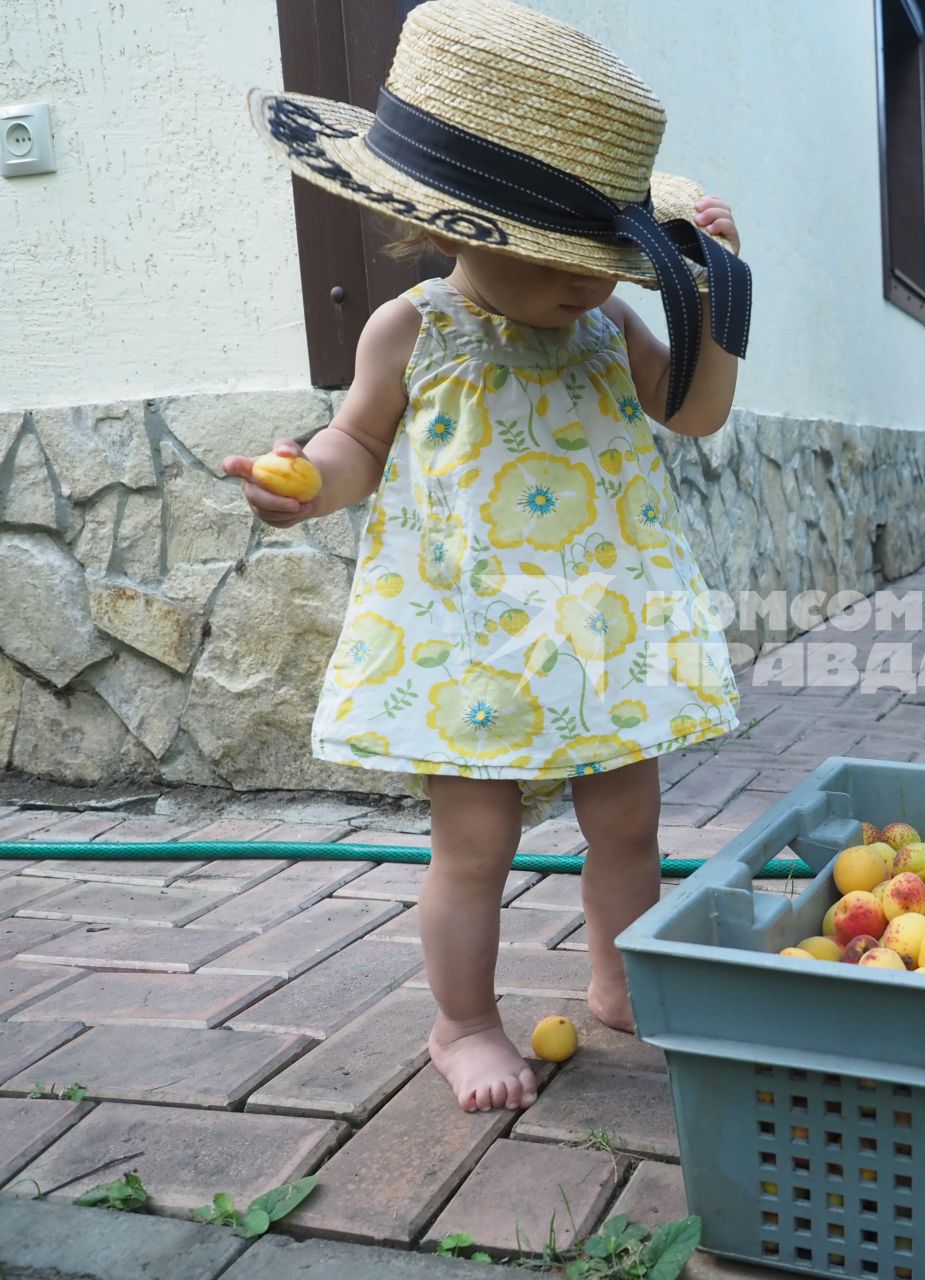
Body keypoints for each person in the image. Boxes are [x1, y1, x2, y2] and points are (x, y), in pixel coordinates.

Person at [222, 0, 752, 1114]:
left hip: (605, 619)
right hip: (466, 629)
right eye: (562, 256)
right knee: (476, 842)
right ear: (456, 225)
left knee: (630, 822)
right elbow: (358, 442)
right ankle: (461, 1019)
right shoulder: (414, 326)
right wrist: (306, 485)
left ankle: (614, 977)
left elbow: (695, 415)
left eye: (608, 256)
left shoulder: (612, 333)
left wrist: (713, 295)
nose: (591, 281)